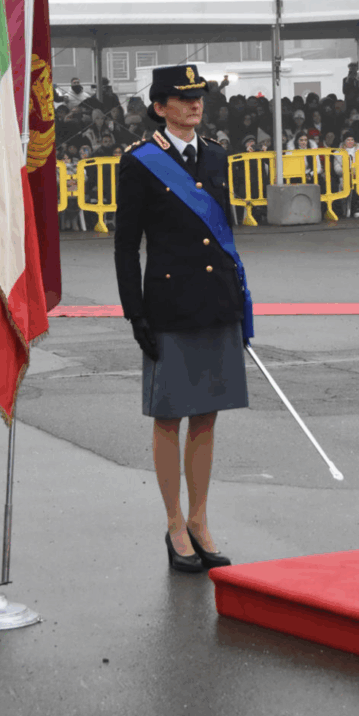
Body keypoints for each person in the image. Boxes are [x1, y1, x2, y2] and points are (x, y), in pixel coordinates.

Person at [114, 64, 251, 574]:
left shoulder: (215, 154)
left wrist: (238, 299)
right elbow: (126, 246)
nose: (196, 104)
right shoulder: (140, 162)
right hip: (169, 306)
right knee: (170, 416)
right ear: (159, 106)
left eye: (199, 96)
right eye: (183, 97)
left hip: (215, 301)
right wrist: (135, 313)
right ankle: (174, 523)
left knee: (208, 415)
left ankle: (199, 519)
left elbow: (224, 234)